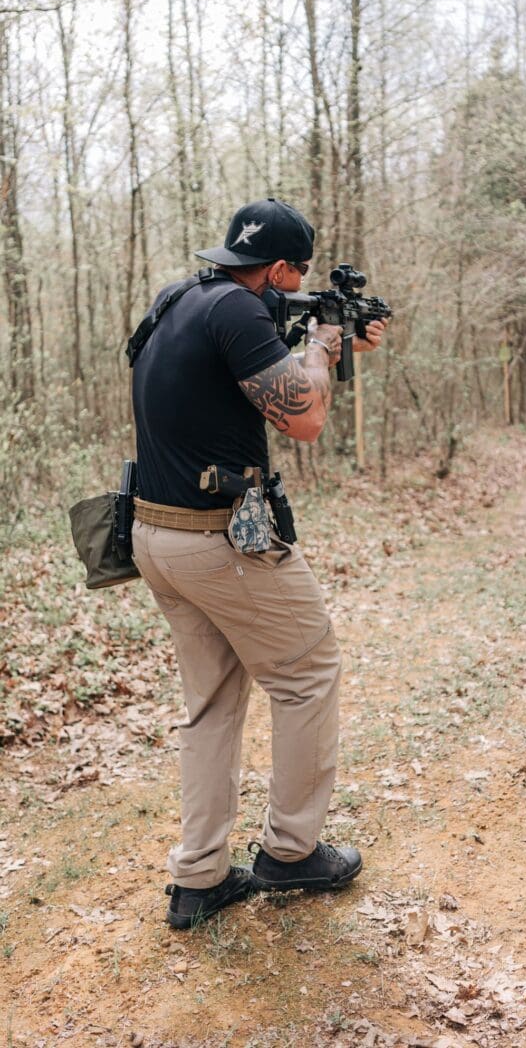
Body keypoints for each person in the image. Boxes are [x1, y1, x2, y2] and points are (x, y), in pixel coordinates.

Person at [129, 198, 387, 929]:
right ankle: (291, 852)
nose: (296, 280)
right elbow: (304, 416)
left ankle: (200, 878)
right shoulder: (241, 314)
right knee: (307, 674)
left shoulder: (180, 299)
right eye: (296, 271)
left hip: (156, 534)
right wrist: (320, 351)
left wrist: (328, 338)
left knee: (211, 704)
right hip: (220, 541)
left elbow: (230, 378)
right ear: (277, 269)